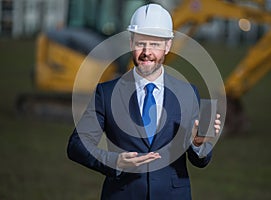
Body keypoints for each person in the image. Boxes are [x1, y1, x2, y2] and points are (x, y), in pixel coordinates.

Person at [67, 3, 221, 200]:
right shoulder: (106, 93)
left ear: (168, 46)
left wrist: (197, 143)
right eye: (141, 43)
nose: (146, 52)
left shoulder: (188, 93)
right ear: (131, 43)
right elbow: (77, 145)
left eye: (155, 44)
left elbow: (201, 161)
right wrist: (115, 161)